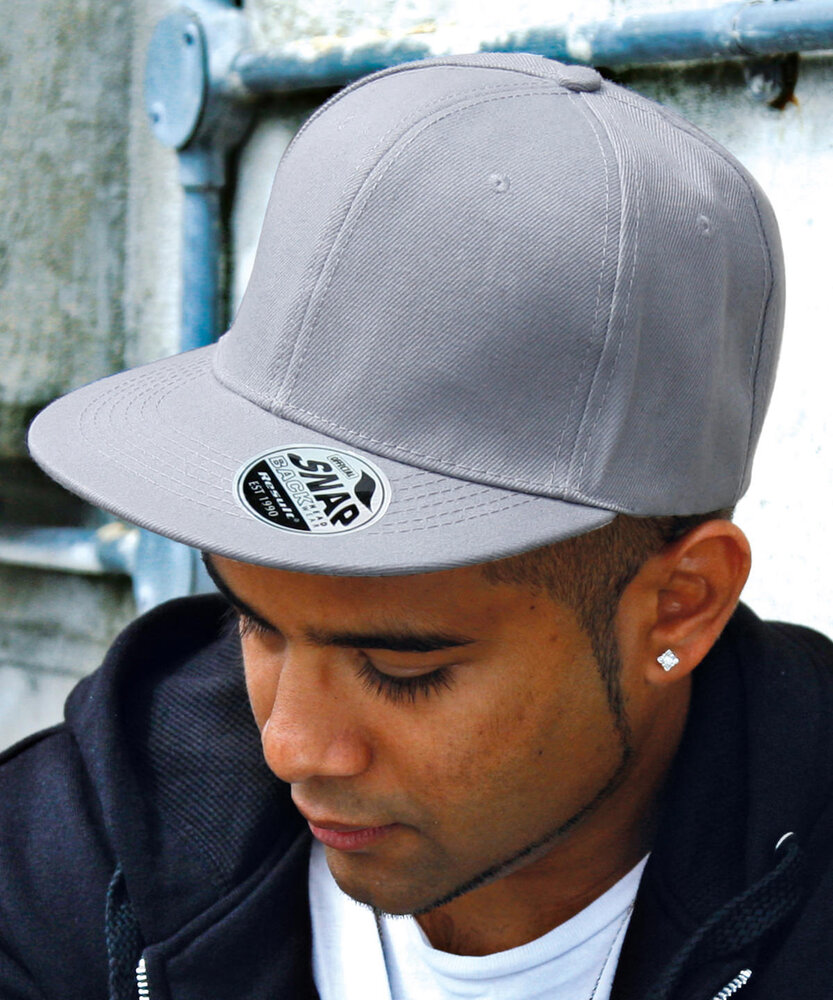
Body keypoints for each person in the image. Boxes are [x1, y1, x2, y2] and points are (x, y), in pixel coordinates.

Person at [2, 51, 830, 1000]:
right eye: (256, 623)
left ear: (680, 605)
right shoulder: (72, 856)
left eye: (403, 670)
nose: (289, 747)